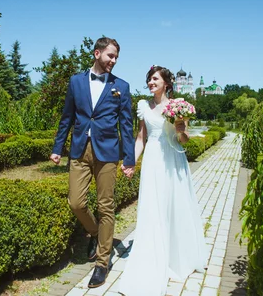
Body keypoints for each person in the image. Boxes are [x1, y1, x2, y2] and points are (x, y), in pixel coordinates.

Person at [50, 37, 136, 289]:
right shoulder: (76, 81)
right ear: (97, 53)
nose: (114, 61)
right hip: (79, 149)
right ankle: (97, 233)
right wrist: (57, 148)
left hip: (108, 152)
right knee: (76, 202)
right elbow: (67, 116)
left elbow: (126, 126)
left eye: (116, 57)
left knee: (105, 206)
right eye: (110, 56)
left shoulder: (121, 86)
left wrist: (128, 158)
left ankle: (102, 262)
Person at [119, 65, 209, 296]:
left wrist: (181, 129)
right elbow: (141, 138)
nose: (150, 82)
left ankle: (177, 258)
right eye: (149, 79)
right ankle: (153, 256)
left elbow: (184, 139)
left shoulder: (176, 105)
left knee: (174, 207)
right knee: (152, 208)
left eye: (155, 79)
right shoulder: (143, 106)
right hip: (152, 161)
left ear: (166, 83)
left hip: (173, 161)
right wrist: (131, 161)